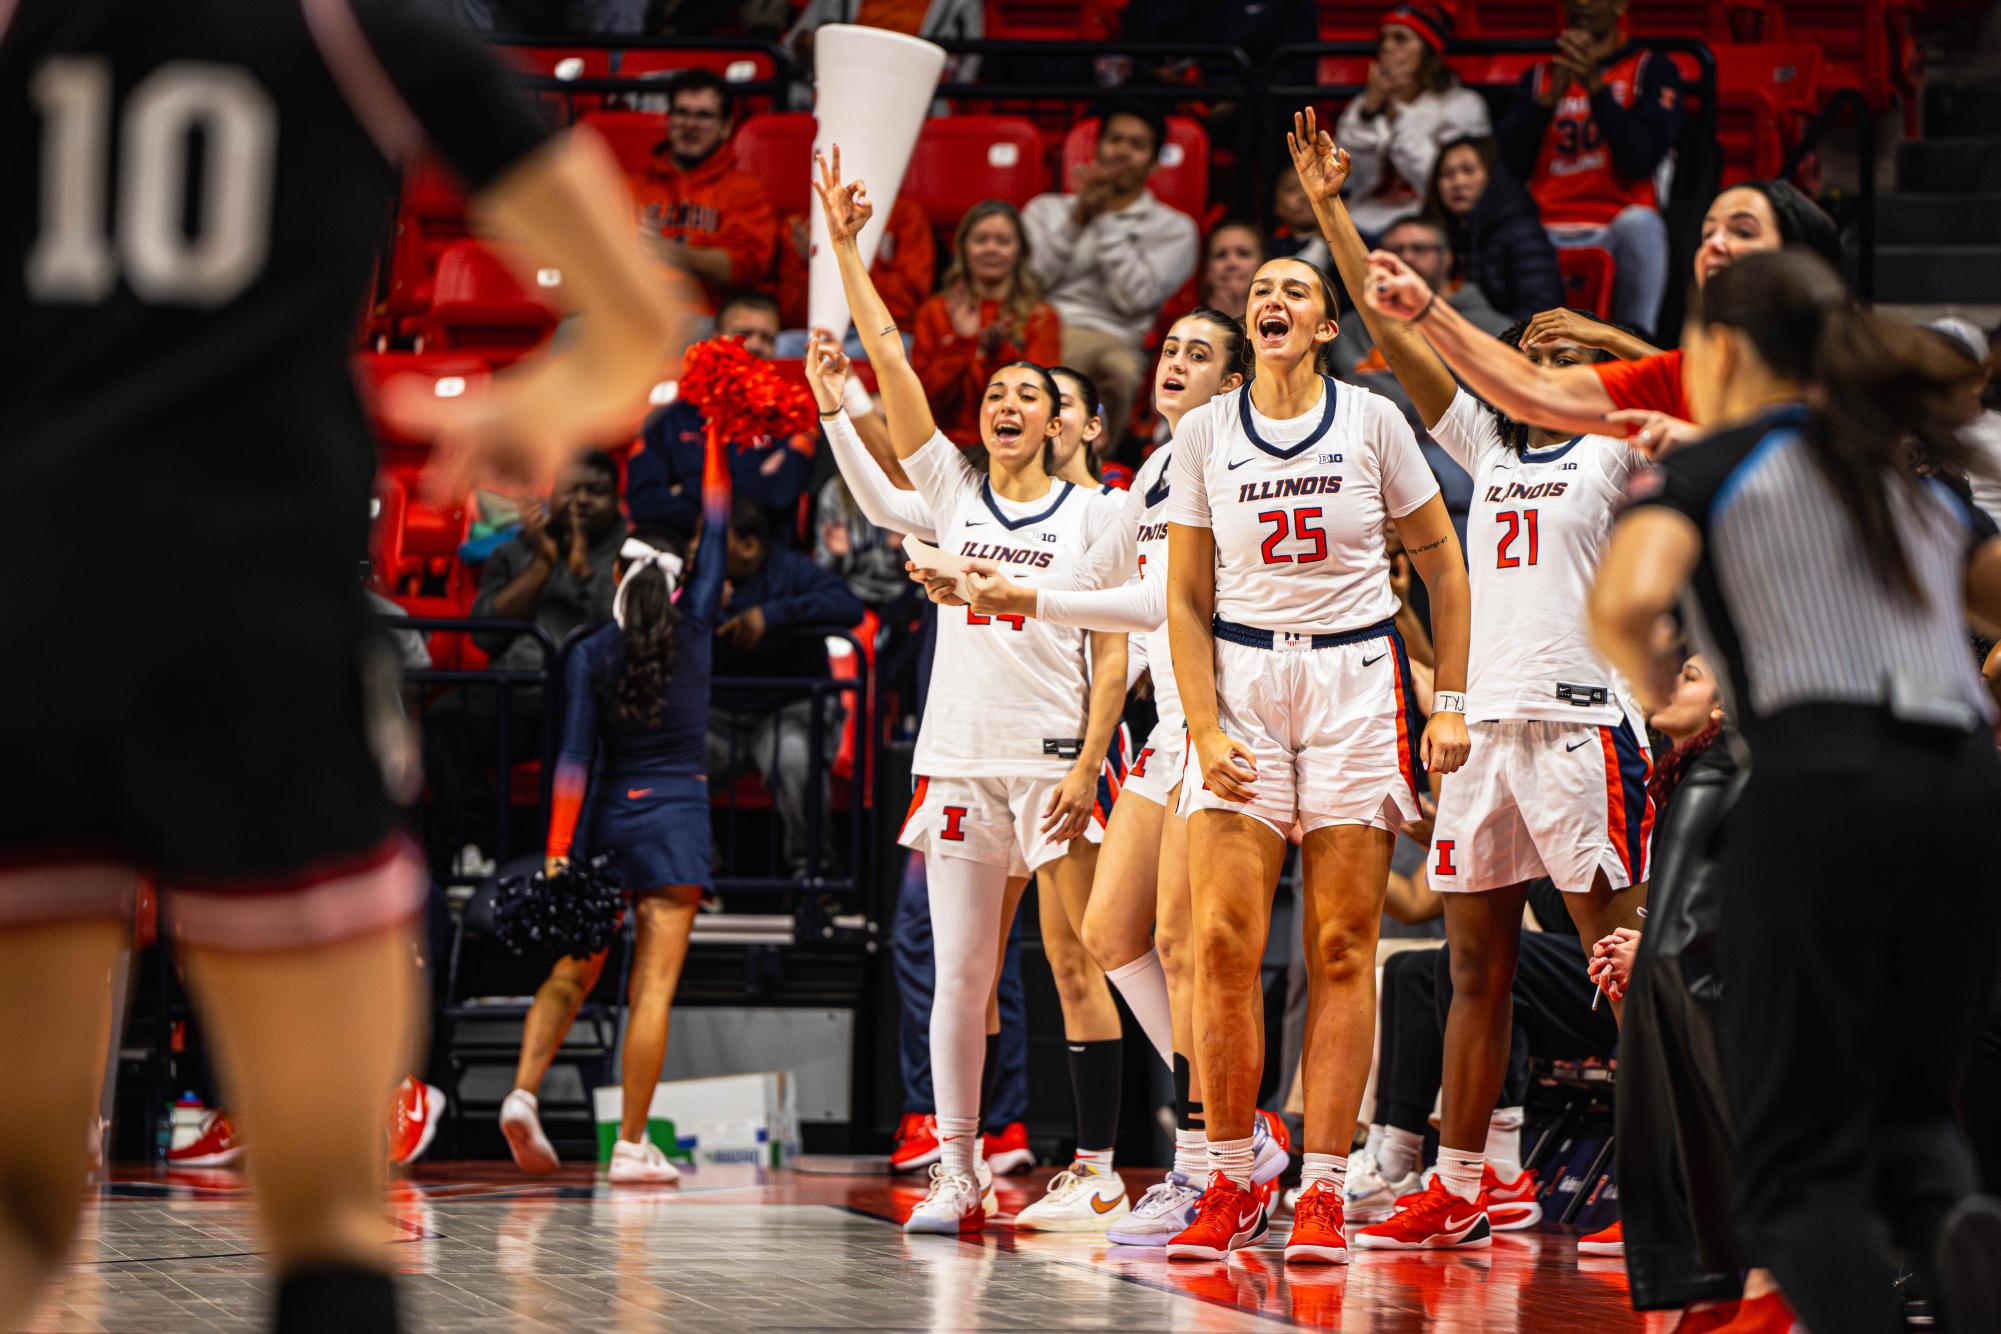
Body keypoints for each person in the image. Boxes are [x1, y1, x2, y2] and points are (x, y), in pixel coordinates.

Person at [0, 0, 690, 1328]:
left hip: (30, 618)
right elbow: (636, 312)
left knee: (23, 1199)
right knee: (324, 1209)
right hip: (249, 627)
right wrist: (528, 408)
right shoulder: (356, 31)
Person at [1588, 248, 2001, 1334]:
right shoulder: (1900, 479)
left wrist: (1653, 672)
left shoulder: (1718, 461)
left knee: (1790, 1164)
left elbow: (1626, 602)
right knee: (1913, 1113)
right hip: (1964, 781)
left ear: (1721, 350)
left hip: (1819, 778)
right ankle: (1957, 1221)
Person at [1287, 112, 1652, 1252]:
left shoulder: (1623, 440)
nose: (1538, 363)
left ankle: (1672, 1176)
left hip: (1584, 719)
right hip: (1487, 726)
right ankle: (1461, 1176)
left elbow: (1685, 383)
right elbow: (1401, 346)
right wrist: (1334, 213)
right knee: (1471, 967)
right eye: (1529, 353)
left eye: (1561, 356)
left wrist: (1595, 331)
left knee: (1627, 965)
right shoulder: (1490, 449)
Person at [813, 148, 1136, 1234]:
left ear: (1058, 421)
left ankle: (1123, 1154)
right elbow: (894, 359)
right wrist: (849, 250)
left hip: (1054, 761)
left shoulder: (1097, 515)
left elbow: (1112, 655)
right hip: (959, 755)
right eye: (995, 393)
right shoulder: (946, 489)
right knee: (963, 975)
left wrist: (1093, 758)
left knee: (1085, 960)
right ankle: (958, 1169)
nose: (1005, 403)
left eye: (1026, 395)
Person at [1160, 195, 1473, 1259]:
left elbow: (1442, 564)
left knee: (1344, 942)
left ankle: (1326, 1185)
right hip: (1244, 677)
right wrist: (1202, 726)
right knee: (1219, 944)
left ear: (1327, 323)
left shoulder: (1374, 419)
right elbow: (1186, 599)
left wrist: (1454, 700)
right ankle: (1232, 1171)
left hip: (1354, 682)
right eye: (1260, 290)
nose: (1274, 299)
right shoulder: (1205, 431)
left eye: (1296, 288)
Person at [954, 310, 1299, 1246]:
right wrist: (970, 571)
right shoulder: (1150, 469)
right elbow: (1102, 587)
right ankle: (1243, 1129)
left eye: (1198, 353)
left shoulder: (1231, 460)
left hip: (1226, 715)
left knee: (1191, 947)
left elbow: (1163, 599)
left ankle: (1208, 1160)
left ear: (1232, 382)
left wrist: (1027, 593)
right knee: (1112, 931)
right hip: (1167, 724)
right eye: (1169, 349)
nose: (1173, 363)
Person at [498, 448, 728, 1181]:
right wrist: (717, 434)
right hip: (677, 826)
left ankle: (522, 1095)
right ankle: (631, 1144)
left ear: (619, 578)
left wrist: (560, 850)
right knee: (650, 990)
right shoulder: (695, 635)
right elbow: (716, 523)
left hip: (604, 827)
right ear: (679, 580)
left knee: (572, 973)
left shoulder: (591, 650)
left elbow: (573, 760)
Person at [1363, 178, 1839, 453]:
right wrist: (1426, 309)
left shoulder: (1851, 361)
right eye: (1707, 230)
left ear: (1798, 256)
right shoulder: (1679, 375)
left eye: (1743, 231)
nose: (1714, 243)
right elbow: (1533, 394)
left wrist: (1702, 448)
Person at [422, 450, 626, 870]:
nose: (583, 501)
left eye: (596, 492)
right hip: (516, 692)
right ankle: (472, 847)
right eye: (573, 490)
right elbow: (484, 635)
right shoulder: (514, 553)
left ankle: (583, 860)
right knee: (445, 720)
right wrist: (543, 564)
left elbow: (615, 628)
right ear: (553, 494)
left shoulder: (632, 555)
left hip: (591, 699)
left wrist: (581, 556)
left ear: (616, 499)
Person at [1494, 0, 1684, 334]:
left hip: (1615, 222)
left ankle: (1637, 340)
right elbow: (1509, 164)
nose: (1580, 4)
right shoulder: (1539, 77)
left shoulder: (1651, 69)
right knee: (1504, 226)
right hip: (1545, 225)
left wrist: (1595, 88)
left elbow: (1639, 161)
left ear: (1620, 6)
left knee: (1643, 226)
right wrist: (1549, 101)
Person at [706, 502, 866, 880]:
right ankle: (693, 875)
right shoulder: (700, 576)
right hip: (716, 715)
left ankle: (813, 879)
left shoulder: (792, 571)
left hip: (787, 710)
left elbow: (848, 607)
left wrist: (772, 617)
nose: (700, 547)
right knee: (673, 763)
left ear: (748, 546)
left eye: (713, 540)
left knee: (794, 760)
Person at [1024, 104, 1200, 447]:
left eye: (1136, 145)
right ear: (1097, 148)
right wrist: (1077, 218)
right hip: (1040, 324)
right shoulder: (1044, 210)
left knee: (1118, 370)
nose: (1122, 151)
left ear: (1153, 162)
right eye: (1115, 140)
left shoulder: (1175, 228)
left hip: (1115, 335)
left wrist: (1102, 218)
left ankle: (1093, 472)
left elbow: (1133, 299)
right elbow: (1029, 285)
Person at [627, 294, 813, 542]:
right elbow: (645, 502)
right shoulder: (671, 418)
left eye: (767, 338)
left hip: (764, 564)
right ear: (715, 338)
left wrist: (688, 489)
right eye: (744, 334)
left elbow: (777, 496)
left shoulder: (792, 418)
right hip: (684, 552)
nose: (756, 345)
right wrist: (751, 485)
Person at [1335, 3, 1491, 241]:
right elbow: (1346, 177)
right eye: (1384, 39)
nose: (1387, 47)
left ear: (1428, 50)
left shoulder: (1463, 105)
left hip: (1429, 222)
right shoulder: (1364, 103)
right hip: (1363, 221)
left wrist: (1396, 117)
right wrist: (1368, 113)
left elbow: (1437, 182)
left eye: (1400, 39)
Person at [627, 69, 777, 315]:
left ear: (726, 127)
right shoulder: (633, 187)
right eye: (681, 113)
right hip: (633, 309)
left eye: (704, 115)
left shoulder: (744, 192)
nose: (690, 124)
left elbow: (741, 268)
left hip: (707, 317)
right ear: (669, 119)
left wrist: (668, 251)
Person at [912, 201, 1061, 448]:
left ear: (1020, 252)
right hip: (941, 445)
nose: (991, 248)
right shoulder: (935, 311)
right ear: (963, 249)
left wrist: (994, 355)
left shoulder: (1041, 317)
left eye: (1003, 242)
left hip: (1012, 446)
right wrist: (961, 342)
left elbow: (1037, 401)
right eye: (981, 240)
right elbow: (926, 402)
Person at [1425, 136, 1565, 322]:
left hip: (1509, 341)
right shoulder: (1430, 234)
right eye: (1447, 174)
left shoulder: (1520, 230)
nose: (1458, 182)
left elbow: (1543, 310)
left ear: (1492, 177)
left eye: (1468, 171)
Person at [775, 194, 933, 333]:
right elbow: (793, 317)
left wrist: (842, 261)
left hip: (884, 331)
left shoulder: (903, 214)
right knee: (784, 348)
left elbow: (907, 306)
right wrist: (811, 264)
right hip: (821, 331)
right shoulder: (807, 221)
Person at [1197, 221, 1266, 325]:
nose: (1231, 263)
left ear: (1263, 264)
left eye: (1243, 253)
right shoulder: (1188, 328)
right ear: (1207, 270)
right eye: (1221, 255)